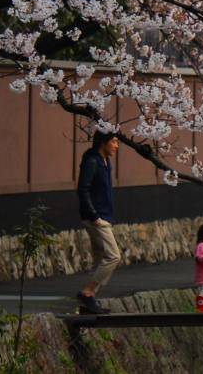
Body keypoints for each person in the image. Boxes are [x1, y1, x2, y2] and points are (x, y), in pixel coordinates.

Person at [76, 131, 122, 314]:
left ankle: (88, 302)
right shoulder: (92, 161)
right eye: (114, 142)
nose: (117, 146)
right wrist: (94, 216)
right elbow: (83, 190)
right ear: (103, 143)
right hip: (95, 218)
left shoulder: (105, 162)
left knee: (100, 258)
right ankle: (87, 293)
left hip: (104, 216)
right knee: (113, 256)